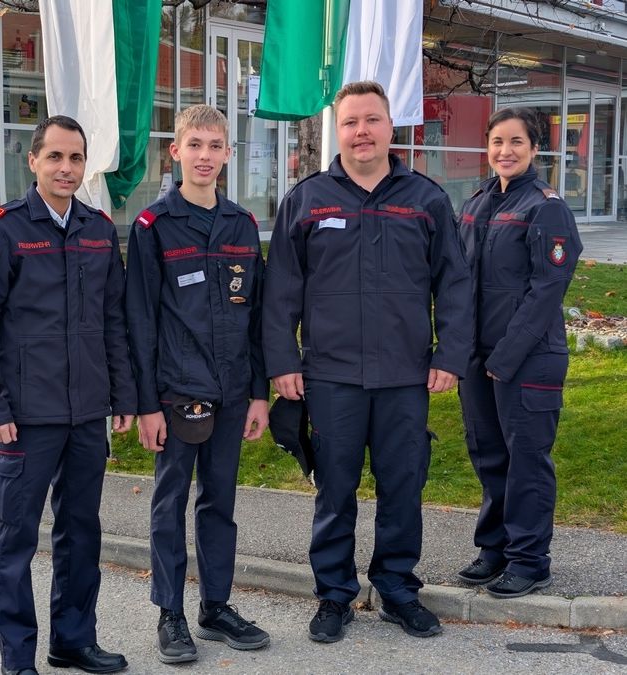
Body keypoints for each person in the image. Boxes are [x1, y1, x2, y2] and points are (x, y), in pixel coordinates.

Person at [263, 81, 473, 641]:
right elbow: (281, 289)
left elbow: (454, 285)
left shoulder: (426, 200)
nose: (362, 131)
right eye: (351, 121)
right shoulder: (305, 200)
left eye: (372, 120)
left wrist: (450, 354)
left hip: (405, 375)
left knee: (403, 485)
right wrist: (283, 361)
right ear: (339, 130)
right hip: (330, 375)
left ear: (390, 126)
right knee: (335, 488)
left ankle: (398, 589)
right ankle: (333, 594)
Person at [0, 115, 136, 675]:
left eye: (76, 158)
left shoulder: (98, 230)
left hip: (86, 415)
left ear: (86, 165)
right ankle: (18, 660)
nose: (66, 168)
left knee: (81, 533)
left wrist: (123, 398)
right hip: (24, 419)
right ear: (33, 161)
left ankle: (72, 641)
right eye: (55, 156)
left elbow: (114, 322)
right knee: (16, 542)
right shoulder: (2, 229)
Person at [125, 104, 270, 664]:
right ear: (176, 151)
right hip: (176, 392)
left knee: (221, 502)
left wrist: (259, 391)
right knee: (170, 503)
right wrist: (146, 405)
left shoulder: (242, 225)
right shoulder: (153, 227)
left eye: (215, 146)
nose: (205, 156)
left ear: (228, 155)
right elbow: (139, 319)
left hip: (233, 391)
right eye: (195, 145)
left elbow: (256, 316)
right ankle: (171, 613)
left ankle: (215, 605)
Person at [455, 107, 582, 598]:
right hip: (477, 355)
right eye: (496, 142)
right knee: (489, 455)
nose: (504, 151)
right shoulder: (476, 202)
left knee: (526, 459)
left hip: (527, 359)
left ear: (534, 149)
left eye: (516, 142)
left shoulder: (546, 207)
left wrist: (505, 358)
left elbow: (546, 291)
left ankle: (530, 560)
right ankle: (495, 549)